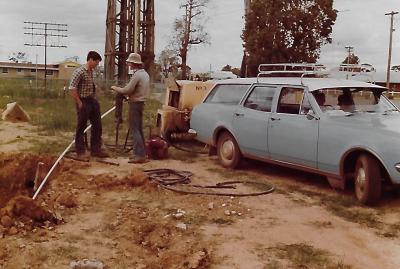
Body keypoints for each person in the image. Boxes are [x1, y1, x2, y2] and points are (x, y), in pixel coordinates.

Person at [69, 51, 109, 160]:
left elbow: (90, 85)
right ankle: (80, 151)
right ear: (90, 59)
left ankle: (96, 149)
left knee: (97, 125)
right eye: (96, 62)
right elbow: (72, 88)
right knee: (81, 127)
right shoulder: (79, 72)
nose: (97, 65)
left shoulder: (92, 72)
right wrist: (79, 102)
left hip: (92, 100)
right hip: (83, 101)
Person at [111, 53, 150, 163]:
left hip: (135, 103)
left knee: (134, 129)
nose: (128, 64)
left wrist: (115, 88)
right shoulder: (145, 74)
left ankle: (139, 155)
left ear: (134, 63)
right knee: (139, 129)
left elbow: (127, 90)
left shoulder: (137, 75)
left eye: (129, 63)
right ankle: (142, 154)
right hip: (141, 103)